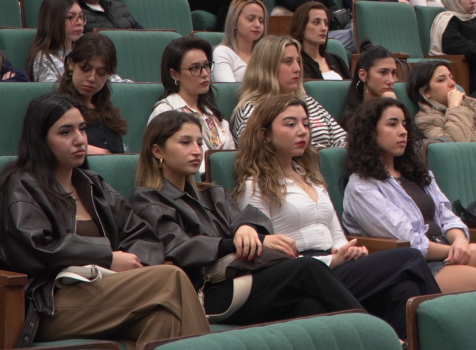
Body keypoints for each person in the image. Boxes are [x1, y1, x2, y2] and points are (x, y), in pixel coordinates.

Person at [0, 94, 210, 347]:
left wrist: (134, 266)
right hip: (49, 304)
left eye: (82, 128)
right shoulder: (22, 186)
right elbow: (35, 248)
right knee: (171, 278)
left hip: (105, 290)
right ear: (41, 140)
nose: (79, 139)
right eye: (65, 132)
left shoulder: (93, 184)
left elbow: (141, 235)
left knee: (164, 318)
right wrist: (108, 257)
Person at [130, 111, 361, 327]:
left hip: (241, 278)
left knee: (309, 307)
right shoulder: (149, 199)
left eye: (199, 143)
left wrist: (247, 229)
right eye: (185, 142)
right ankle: (376, 334)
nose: (196, 150)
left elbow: (248, 216)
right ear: (157, 151)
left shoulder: (211, 192)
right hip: (206, 292)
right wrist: (233, 243)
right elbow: (178, 245)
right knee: (306, 268)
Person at [235, 96, 440, 338]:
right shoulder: (256, 185)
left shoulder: (312, 177)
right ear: (265, 134)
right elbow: (270, 258)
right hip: (304, 273)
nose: (302, 131)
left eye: (305, 124)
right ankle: (442, 332)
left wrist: (349, 250)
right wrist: (334, 260)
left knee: (406, 288)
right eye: (290, 124)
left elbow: (336, 236)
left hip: (336, 265)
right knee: (410, 258)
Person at [341, 97, 476, 294]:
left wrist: (459, 241)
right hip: (416, 264)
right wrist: (455, 251)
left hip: (448, 248)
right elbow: (407, 241)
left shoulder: (415, 173)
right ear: (370, 132)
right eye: (392, 124)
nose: (403, 131)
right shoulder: (361, 187)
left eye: (404, 124)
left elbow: (446, 214)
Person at [231, 36, 346, 147]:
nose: (298, 69)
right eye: (288, 61)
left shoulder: (307, 101)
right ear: (267, 68)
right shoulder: (251, 111)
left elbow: (343, 140)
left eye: (298, 61)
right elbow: (259, 156)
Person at [149, 36, 234, 169]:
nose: (205, 73)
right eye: (195, 68)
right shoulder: (165, 111)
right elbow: (155, 164)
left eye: (206, 65)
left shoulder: (214, 115)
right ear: (174, 74)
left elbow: (231, 160)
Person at [55, 33, 129, 155]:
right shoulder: (57, 108)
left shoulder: (109, 112)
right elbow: (54, 146)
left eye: (101, 73)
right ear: (72, 64)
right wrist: (104, 154)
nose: (92, 78)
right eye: (85, 69)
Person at [27, 0, 87, 82]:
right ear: (53, 21)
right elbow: (52, 92)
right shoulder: (44, 58)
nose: (80, 22)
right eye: (71, 17)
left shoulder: (86, 51)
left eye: (81, 16)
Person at [212, 0, 267, 83]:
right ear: (234, 23)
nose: (257, 24)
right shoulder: (222, 53)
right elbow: (229, 92)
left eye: (261, 20)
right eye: (251, 19)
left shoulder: (266, 56)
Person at [291, 2, 350, 80]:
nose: (324, 28)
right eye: (316, 22)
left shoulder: (336, 59)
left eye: (326, 23)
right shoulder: (296, 63)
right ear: (301, 27)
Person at [342, 43, 399, 124]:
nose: (391, 80)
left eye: (393, 73)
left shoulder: (397, 104)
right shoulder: (353, 118)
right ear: (363, 75)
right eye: (383, 72)